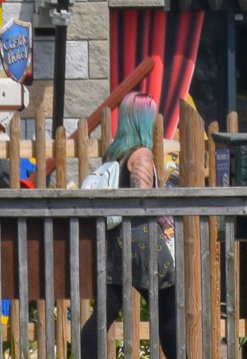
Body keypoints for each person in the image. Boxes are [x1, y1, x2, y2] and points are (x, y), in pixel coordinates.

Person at [77, 96, 180, 359]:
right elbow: (143, 202)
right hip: (144, 242)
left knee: (106, 312)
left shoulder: (119, 156)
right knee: (169, 314)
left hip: (120, 242)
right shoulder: (142, 155)